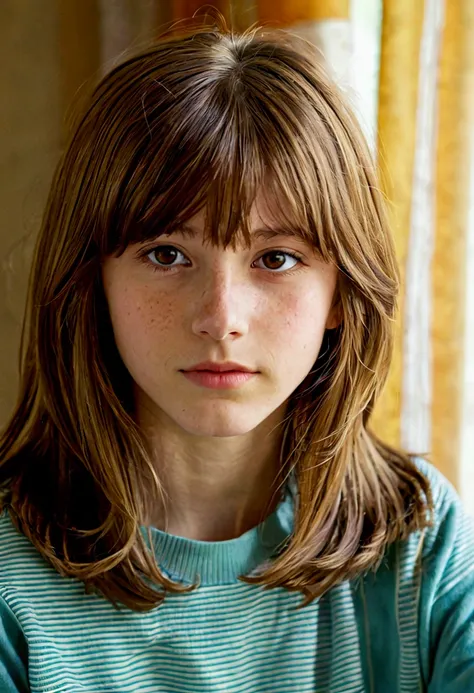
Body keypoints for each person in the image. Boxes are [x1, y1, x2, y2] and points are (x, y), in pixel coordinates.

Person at [0, 15, 472, 693]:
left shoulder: (420, 543)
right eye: (167, 254)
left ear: (341, 291)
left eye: (275, 258)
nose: (221, 318)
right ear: (92, 279)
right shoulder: (9, 577)